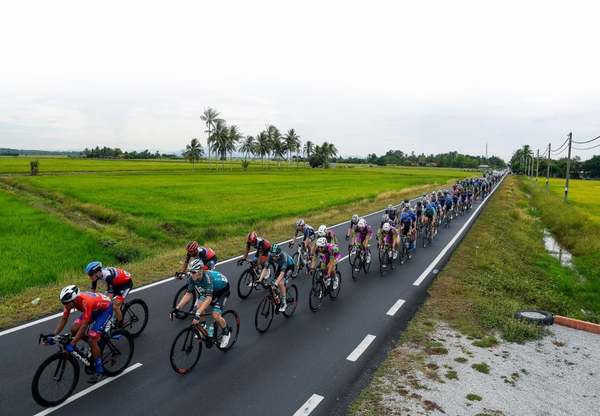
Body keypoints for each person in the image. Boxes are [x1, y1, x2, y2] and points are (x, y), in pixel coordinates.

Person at [49, 285, 113, 383]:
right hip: (93, 309)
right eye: (63, 303)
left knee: (92, 338)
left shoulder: (86, 302)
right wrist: (54, 335)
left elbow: (84, 326)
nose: (65, 306)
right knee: (74, 329)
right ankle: (93, 347)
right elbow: (64, 318)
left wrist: (73, 343)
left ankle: (100, 370)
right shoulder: (71, 302)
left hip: (105, 309)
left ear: (74, 300)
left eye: (66, 303)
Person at [171, 259, 231, 348]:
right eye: (190, 272)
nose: (191, 274)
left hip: (222, 290)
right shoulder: (192, 277)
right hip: (209, 290)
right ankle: (203, 326)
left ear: (200, 271)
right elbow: (188, 294)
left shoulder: (207, 278)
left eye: (193, 272)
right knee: (199, 306)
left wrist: (198, 314)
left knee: (215, 315)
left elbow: (209, 298)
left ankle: (226, 332)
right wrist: (177, 308)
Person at [86, 261, 132, 328]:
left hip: (125, 284)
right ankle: (115, 317)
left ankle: (121, 325)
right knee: (104, 299)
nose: (90, 277)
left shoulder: (108, 276)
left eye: (91, 274)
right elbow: (93, 291)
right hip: (115, 284)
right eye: (89, 274)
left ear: (98, 272)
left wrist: (105, 303)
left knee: (115, 306)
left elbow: (111, 293)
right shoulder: (95, 276)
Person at [260, 244, 295, 312]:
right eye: (272, 256)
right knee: (273, 284)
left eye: (275, 256)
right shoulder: (270, 256)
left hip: (289, 266)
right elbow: (265, 268)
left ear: (279, 254)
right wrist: (260, 279)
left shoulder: (283, 257)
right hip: (281, 266)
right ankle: (278, 301)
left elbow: (282, 273)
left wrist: (276, 283)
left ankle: (284, 303)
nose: (274, 258)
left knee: (280, 283)